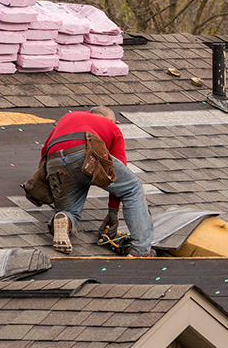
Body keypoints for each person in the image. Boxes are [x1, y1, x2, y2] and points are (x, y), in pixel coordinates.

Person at [40, 106, 154, 256]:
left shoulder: (68, 117)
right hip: (85, 151)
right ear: (110, 119)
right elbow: (115, 176)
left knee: (70, 209)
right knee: (133, 187)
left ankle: (64, 219)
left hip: (54, 160)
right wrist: (113, 211)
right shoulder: (111, 127)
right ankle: (140, 251)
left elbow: (44, 151)